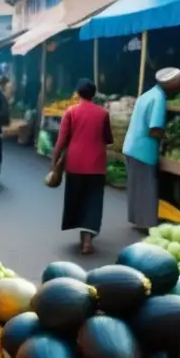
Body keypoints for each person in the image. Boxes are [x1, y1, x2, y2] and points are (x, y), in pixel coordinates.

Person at [53, 80, 115, 254]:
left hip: (75, 163)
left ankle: (83, 237)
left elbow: (62, 140)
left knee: (77, 199)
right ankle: (87, 239)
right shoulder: (103, 114)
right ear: (94, 95)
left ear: (77, 94)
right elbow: (108, 139)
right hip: (96, 164)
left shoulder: (71, 112)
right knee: (93, 201)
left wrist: (55, 160)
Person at [122, 67, 180, 230]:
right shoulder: (159, 98)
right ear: (170, 84)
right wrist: (170, 139)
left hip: (132, 146)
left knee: (137, 187)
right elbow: (155, 129)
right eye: (179, 83)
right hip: (143, 150)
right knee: (146, 187)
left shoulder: (147, 94)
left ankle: (138, 220)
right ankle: (146, 224)